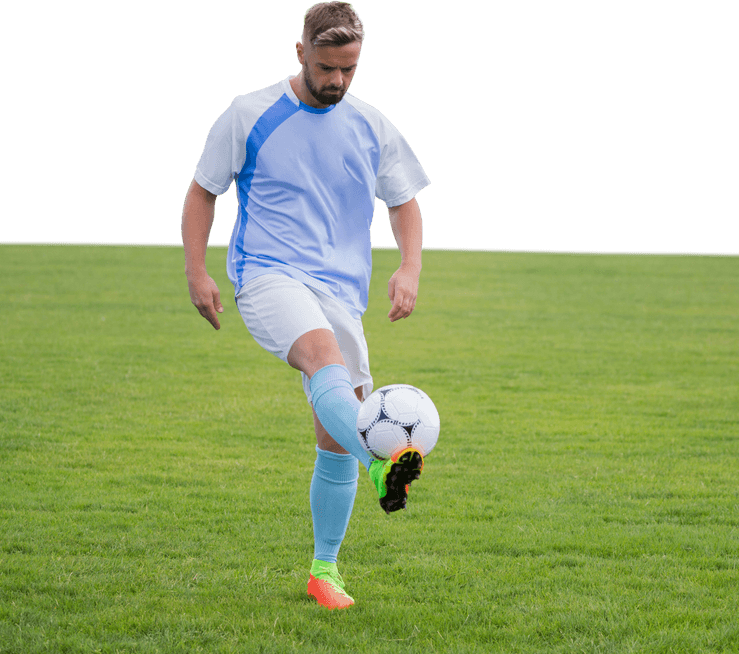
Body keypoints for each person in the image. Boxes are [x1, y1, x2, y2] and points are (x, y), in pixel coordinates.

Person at [180, 2, 430, 610]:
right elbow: (202, 192)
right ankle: (384, 462)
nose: (337, 81)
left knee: (334, 437)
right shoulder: (249, 113)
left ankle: (324, 570)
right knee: (323, 362)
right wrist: (196, 271)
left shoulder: (371, 125)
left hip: (341, 292)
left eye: (348, 68)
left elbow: (403, 204)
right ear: (300, 52)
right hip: (268, 277)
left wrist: (409, 266)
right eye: (325, 67)